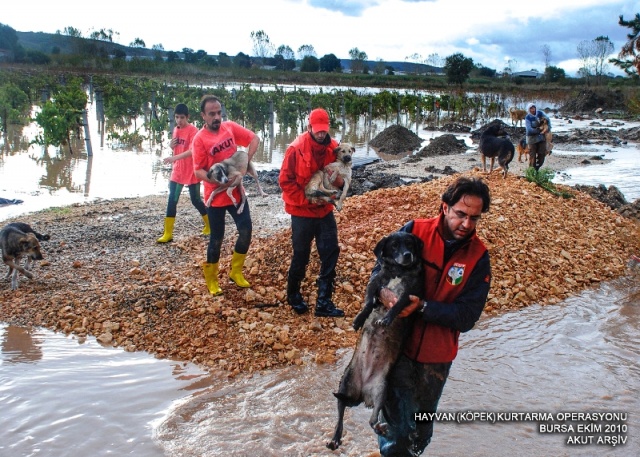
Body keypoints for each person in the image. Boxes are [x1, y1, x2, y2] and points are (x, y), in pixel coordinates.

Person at [374, 176, 492, 456]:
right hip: (397, 348)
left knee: (420, 432)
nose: (466, 224)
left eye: (474, 218)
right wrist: (384, 294)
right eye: (460, 214)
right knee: (397, 431)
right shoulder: (415, 231)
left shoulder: (478, 257)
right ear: (444, 207)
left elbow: (467, 316)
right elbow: (379, 271)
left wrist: (424, 307)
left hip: (436, 358)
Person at [279, 108, 345, 318]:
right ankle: (293, 295)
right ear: (309, 127)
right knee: (301, 253)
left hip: (324, 210)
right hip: (301, 211)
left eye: (324, 131)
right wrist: (306, 199)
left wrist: (339, 185)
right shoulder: (295, 149)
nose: (321, 134)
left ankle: (323, 302)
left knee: (331, 251)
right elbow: (284, 181)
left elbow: (342, 177)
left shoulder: (335, 148)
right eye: (317, 130)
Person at [192, 95, 260, 295]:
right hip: (215, 195)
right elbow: (198, 172)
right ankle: (212, 279)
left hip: (236, 193)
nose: (217, 117)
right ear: (203, 115)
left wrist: (245, 162)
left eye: (219, 112)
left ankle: (236, 272)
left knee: (246, 230)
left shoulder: (229, 127)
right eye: (212, 114)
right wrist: (219, 181)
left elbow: (253, 139)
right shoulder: (199, 140)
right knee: (217, 238)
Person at [157, 103, 210, 243]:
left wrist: (173, 157)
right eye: (176, 117)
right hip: (177, 171)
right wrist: (170, 146)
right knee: (172, 200)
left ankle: (209, 225)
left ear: (187, 117)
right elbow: (177, 147)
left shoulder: (193, 131)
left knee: (196, 200)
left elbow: (193, 151)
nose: (179, 120)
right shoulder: (176, 129)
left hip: (191, 170)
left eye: (182, 118)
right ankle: (168, 233)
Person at [525, 103, 552, 172]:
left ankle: (537, 168)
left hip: (541, 138)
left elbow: (548, 120)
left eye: (533, 108)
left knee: (542, 154)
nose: (533, 110)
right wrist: (539, 130)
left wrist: (547, 128)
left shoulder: (540, 113)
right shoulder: (528, 117)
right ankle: (531, 171)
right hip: (532, 139)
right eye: (531, 108)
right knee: (532, 156)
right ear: (529, 109)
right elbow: (529, 130)